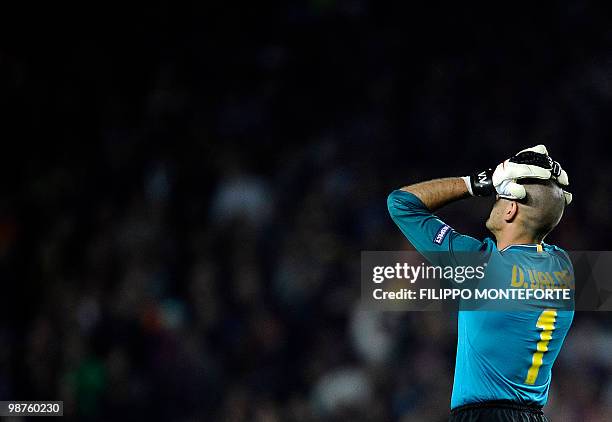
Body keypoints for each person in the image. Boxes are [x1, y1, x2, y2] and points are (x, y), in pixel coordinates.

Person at [387, 146, 574, 421]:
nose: (493, 201)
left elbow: (401, 203)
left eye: (498, 197)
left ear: (510, 209)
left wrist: (474, 184)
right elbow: (543, 214)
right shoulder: (563, 267)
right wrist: (548, 189)